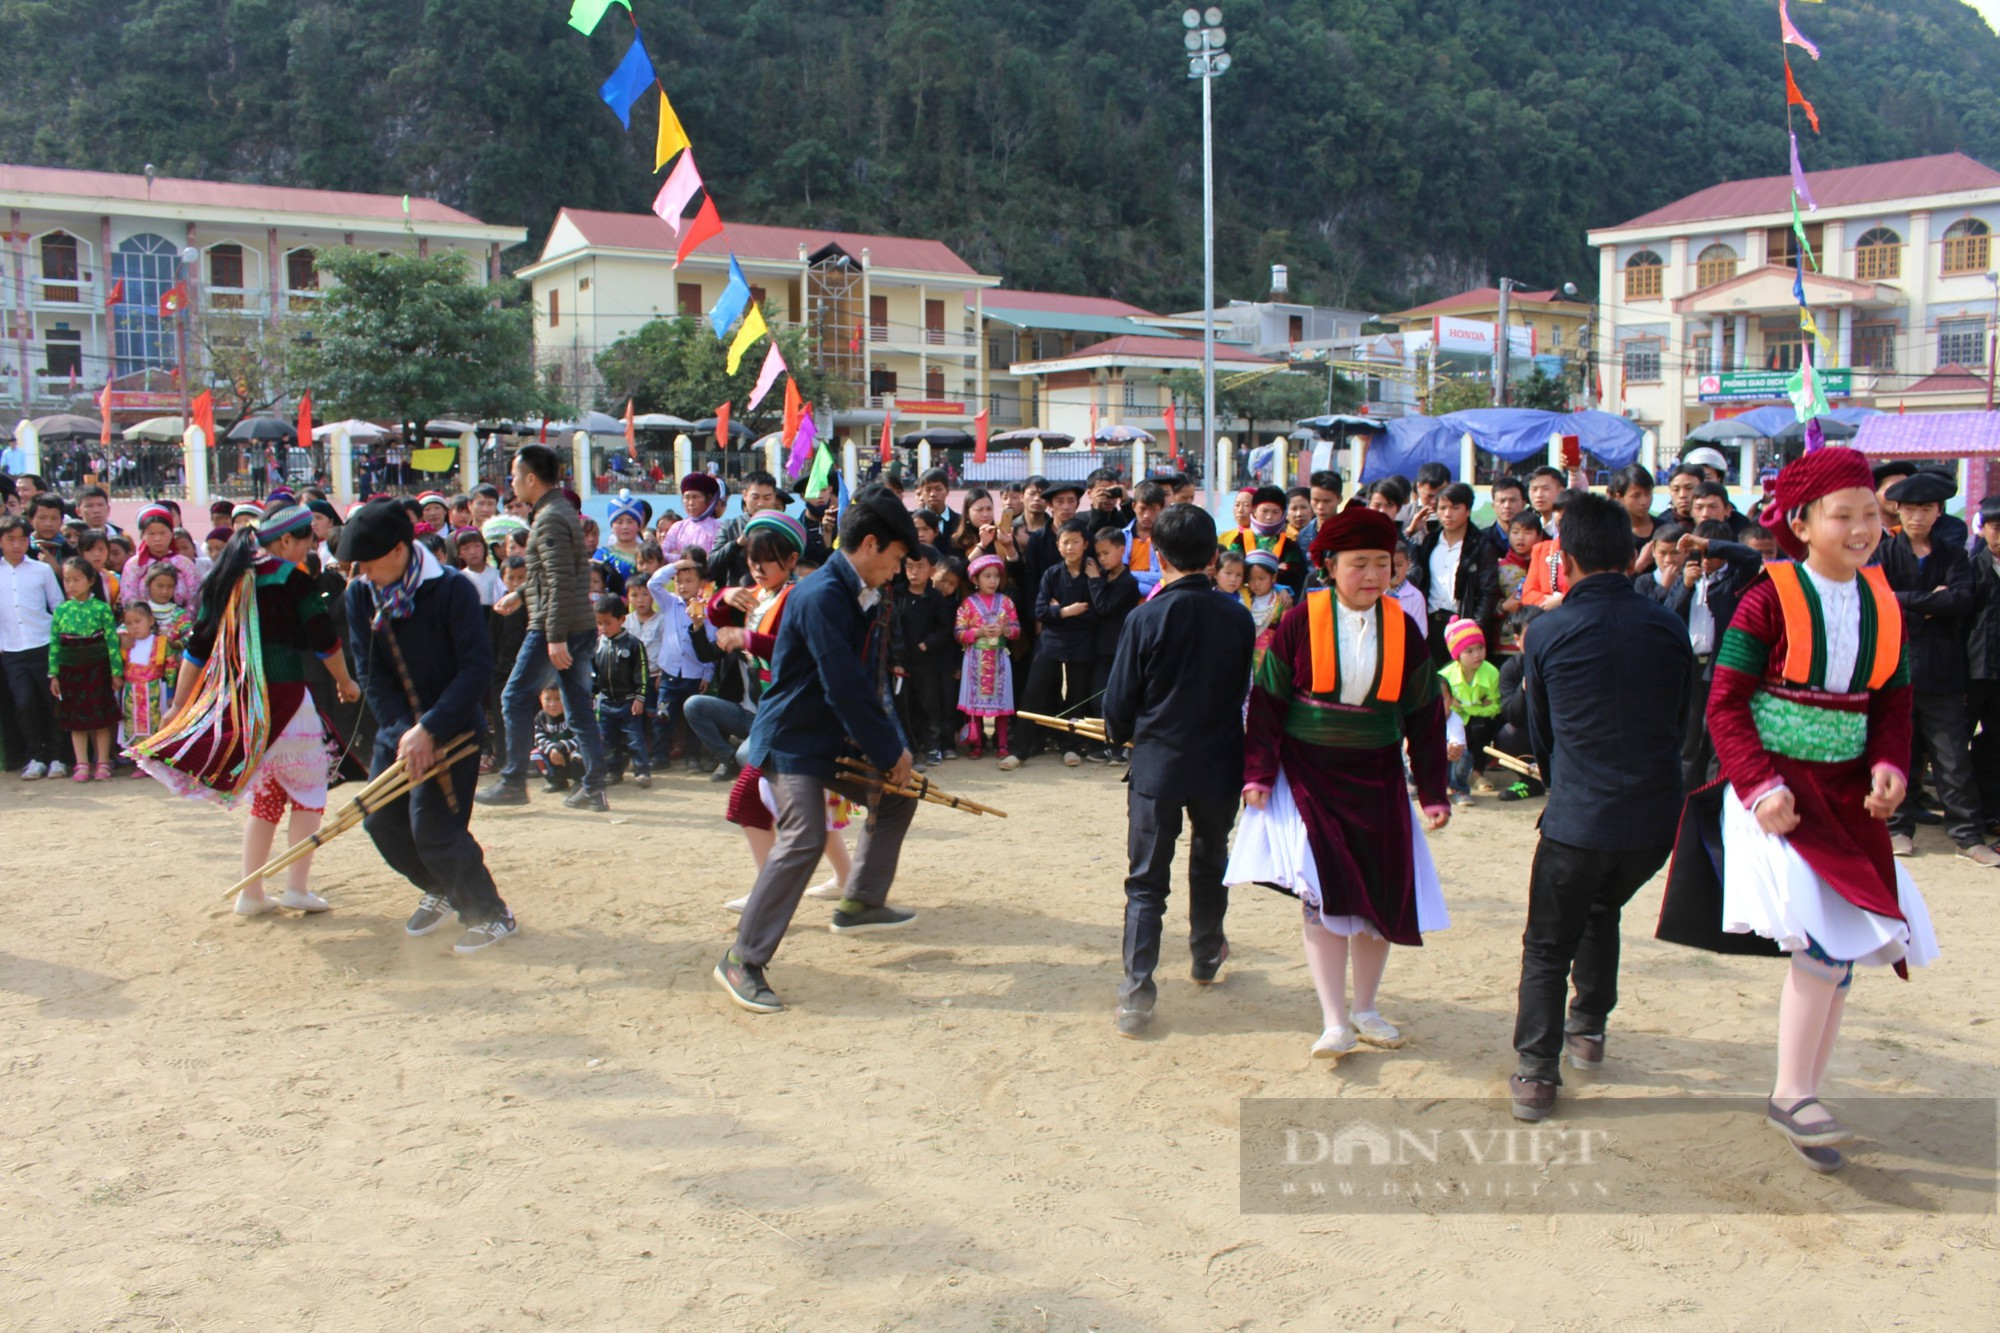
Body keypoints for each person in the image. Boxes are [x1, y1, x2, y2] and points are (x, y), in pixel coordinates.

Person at [1658, 447, 1939, 1173]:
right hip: (1782, 790)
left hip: (1850, 795)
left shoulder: (1883, 601)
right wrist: (1758, 784)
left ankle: (1804, 1093)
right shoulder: (1767, 597)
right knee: (1821, 942)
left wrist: (1889, 764)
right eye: (1843, 514)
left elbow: (1894, 702)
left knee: (1844, 948)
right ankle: (1791, 1092)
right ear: (1800, 522)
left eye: (1870, 513)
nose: (1862, 528)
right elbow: (1725, 701)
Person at [1226, 503, 1453, 1061]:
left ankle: (1367, 1007)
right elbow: (1269, 702)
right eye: (1359, 564)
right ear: (1329, 565)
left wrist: (1432, 791)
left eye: (1384, 563)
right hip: (1311, 774)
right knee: (1323, 897)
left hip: (1376, 775)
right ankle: (1334, 1021)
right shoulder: (1301, 619)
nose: (1373, 575)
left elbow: (1425, 713)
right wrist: (1258, 773)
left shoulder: (1405, 627)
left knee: (1379, 896)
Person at [1509, 492, 1691, 1122]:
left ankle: (1537, 1070)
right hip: (1654, 816)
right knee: (1602, 907)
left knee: (1546, 945)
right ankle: (1588, 1028)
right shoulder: (1666, 624)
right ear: (1631, 552)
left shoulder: (1549, 630)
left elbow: (1543, 737)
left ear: (1569, 557)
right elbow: (1678, 720)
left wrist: (1568, 790)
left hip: (1580, 813)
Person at [712, 485, 920, 1015]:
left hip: (827, 735)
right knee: (805, 836)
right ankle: (741, 958)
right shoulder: (822, 593)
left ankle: (860, 902)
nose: (897, 571)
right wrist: (887, 747)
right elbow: (844, 683)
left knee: (898, 795)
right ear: (871, 545)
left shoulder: (853, 591)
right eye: (896, 559)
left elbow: (861, 680)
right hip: (790, 740)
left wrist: (891, 752)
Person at [134, 509, 363, 916]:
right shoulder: (292, 578)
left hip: (244, 704)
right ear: (286, 542)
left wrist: (176, 705)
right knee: (309, 793)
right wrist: (345, 682)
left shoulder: (229, 576)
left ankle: (252, 892)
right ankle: (296, 887)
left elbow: (198, 647)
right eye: (307, 539)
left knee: (268, 797)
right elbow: (324, 639)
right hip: (288, 698)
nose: (311, 546)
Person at [338, 499, 518, 953]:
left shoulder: (452, 589)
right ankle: (439, 886)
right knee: (381, 822)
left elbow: (476, 669)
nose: (361, 572)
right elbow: (370, 672)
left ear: (399, 551)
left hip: (453, 727)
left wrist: (431, 729)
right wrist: (405, 731)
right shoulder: (361, 594)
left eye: (367, 562)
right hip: (398, 732)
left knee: (434, 828)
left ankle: (491, 913)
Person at [1103, 504, 1256, 1036]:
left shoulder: (1145, 617)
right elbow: (1241, 689)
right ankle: (1206, 952)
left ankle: (1136, 993)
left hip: (1158, 765)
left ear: (1159, 556)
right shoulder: (1237, 615)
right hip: (1219, 760)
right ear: (1213, 558)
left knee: (1146, 882)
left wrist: (1120, 734)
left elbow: (1120, 701)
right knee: (1211, 858)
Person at [479, 444, 609, 812]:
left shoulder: (550, 516)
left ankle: (513, 781)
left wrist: (554, 637)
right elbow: (550, 573)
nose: (513, 482)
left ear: (531, 478)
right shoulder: (558, 511)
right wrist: (519, 593)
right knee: (578, 708)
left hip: (557, 625)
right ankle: (594, 787)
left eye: (516, 476)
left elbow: (560, 580)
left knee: (513, 697)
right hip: (576, 624)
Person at [1875, 469, 1995, 864]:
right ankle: (1897, 829)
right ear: (1897, 510)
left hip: (1944, 671)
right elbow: (1877, 599)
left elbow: (1961, 601)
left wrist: (1906, 601)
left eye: (1926, 509)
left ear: (1938, 511)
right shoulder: (1884, 552)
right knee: (1899, 754)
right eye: (1909, 508)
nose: (1917, 517)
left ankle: (1967, 836)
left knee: (1952, 757)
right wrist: (1929, 602)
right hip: (1895, 668)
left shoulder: (1954, 555)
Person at [1668, 521, 1765, 793]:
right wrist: (1686, 587)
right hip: (1691, 667)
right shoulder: (1686, 579)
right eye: (1699, 553)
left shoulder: (1735, 578)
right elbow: (1667, 614)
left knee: (1717, 735)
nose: (1705, 560)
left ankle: (1714, 795)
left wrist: (1708, 544)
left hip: (1722, 664)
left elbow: (1752, 557)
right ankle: (1685, 796)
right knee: (1689, 736)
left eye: (1709, 553)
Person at [1022, 520, 1098, 767]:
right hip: (1051, 641)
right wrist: (1067, 611)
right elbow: (1041, 610)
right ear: (1058, 545)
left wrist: (1062, 612)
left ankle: (1071, 746)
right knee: (1035, 690)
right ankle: (1021, 746)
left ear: (1085, 544)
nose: (1070, 547)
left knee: (1076, 695)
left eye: (1076, 541)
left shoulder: (1093, 575)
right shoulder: (1051, 574)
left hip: (1082, 642)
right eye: (1065, 542)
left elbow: (1096, 611)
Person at [0, 514, 66, 778]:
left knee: (52, 703)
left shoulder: (41, 570)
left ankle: (59, 757)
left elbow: (58, 606)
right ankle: (35, 756)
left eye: (22, 539)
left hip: (44, 645)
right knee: (24, 704)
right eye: (10, 539)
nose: (17, 545)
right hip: (13, 651)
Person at [49, 557, 121, 782]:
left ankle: (103, 761)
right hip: (70, 671)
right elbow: (55, 644)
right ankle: (82, 763)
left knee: (100, 718)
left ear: (90, 581)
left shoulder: (101, 609)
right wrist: (54, 673)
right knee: (76, 721)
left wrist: (116, 672)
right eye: (66, 580)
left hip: (97, 669)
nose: (70, 585)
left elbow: (112, 642)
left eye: (76, 579)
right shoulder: (61, 611)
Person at [1410, 481, 1500, 660]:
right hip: (1430, 625)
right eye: (1442, 508)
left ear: (1468, 511)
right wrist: (1411, 531)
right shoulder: (1430, 542)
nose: (1447, 514)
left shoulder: (1481, 545)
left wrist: (1474, 630)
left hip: (1463, 625)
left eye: (1455, 508)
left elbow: (1487, 593)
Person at [956, 553, 1021, 764]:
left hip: (1000, 656)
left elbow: (1017, 629)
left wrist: (1004, 630)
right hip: (976, 656)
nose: (992, 581)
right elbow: (958, 632)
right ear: (975, 580)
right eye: (987, 576)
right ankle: (977, 743)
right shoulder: (967, 604)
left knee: (1001, 702)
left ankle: (1002, 743)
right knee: (975, 704)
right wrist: (978, 633)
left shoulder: (1007, 602)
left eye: (995, 576)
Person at [894, 543, 955, 767]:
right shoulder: (897, 594)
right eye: (909, 566)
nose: (913, 571)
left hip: (927, 662)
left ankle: (933, 747)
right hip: (901, 662)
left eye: (920, 567)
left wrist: (926, 644)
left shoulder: (935, 598)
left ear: (931, 570)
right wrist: (897, 658)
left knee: (929, 704)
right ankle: (911, 748)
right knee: (906, 707)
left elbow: (943, 628)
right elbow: (892, 628)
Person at [1087, 528, 1142, 761]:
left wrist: (1095, 581)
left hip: (1120, 648)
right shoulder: (1103, 577)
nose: (1102, 559)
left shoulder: (1128, 582)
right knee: (1098, 699)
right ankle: (1106, 744)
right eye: (1099, 554)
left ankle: (1123, 746)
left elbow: (1104, 607)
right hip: (1100, 648)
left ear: (1122, 550)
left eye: (1106, 553)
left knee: (1121, 699)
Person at [1438, 616, 1501, 804]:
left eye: (1480, 648)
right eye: (1469, 651)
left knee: (1479, 728)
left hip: (1477, 720)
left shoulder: (1491, 673)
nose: (1477, 654)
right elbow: (1440, 706)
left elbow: (1495, 706)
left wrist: (1463, 706)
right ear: (1457, 655)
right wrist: (1477, 704)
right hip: (1450, 719)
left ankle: (1477, 772)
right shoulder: (1445, 676)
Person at [592, 593, 651, 788]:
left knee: (634, 738)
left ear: (622, 619)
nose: (603, 628)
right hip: (607, 702)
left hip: (628, 701)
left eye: (607, 623)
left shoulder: (633, 644)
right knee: (609, 740)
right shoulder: (598, 645)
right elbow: (593, 673)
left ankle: (642, 771)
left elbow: (642, 672)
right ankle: (614, 771)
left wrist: (640, 697)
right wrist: (593, 695)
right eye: (599, 623)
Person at [1969, 497, 2000, 825]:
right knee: (1955, 740)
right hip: (1973, 670)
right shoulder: (1971, 568)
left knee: (1995, 741)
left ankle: (1991, 811)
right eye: (1996, 528)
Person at [117, 598, 178, 763]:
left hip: (155, 692)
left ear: (151, 621)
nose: (134, 626)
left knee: (155, 724)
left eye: (138, 621)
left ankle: (154, 758)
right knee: (134, 723)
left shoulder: (161, 643)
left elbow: (171, 667)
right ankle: (139, 759)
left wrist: (172, 692)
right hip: (132, 693)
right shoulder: (125, 644)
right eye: (129, 623)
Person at [1220, 486, 1308, 597]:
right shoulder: (1239, 540)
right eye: (1264, 511)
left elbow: (1295, 576)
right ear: (1255, 511)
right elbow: (1234, 570)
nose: (1269, 517)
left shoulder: (1289, 545)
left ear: (1283, 514)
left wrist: (1280, 587)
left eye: (1275, 512)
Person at [119, 504, 199, 608]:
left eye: (162, 533)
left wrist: (183, 621)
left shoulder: (185, 564)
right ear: (143, 535)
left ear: (171, 533)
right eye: (151, 534)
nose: (157, 538)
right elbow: (129, 598)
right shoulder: (134, 565)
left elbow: (194, 598)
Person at [660, 472, 724, 561]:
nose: (690, 503)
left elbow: (713, 559)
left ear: (708, 499)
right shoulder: (677, 528)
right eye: (686, 497)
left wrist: (680, 557)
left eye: (695, 497)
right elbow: (663, 555)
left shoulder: (719, 528)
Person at [1487, 476, 1527, 556]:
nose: (1507, 506)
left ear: (1523, 505)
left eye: (1513, 500)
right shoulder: (1482, 540)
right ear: (1493, 506)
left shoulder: (1535, 538)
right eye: (1502, 501)